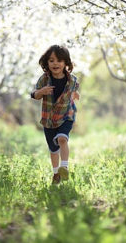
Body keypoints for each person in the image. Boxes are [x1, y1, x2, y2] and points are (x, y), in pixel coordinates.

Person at [31, 45, 80, 185]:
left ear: (66, 63)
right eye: (51, 60)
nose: (55, 63)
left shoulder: (73, 80)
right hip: (49, 119)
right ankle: (56, 174)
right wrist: (42, 92)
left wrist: (75, 94)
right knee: (53, 149)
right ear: (47, 63)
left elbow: (74, 89)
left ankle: (64, 167)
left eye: (59, 60)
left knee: (62, 139)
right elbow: (34, 94)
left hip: (66, 115)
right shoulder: (44, 80)